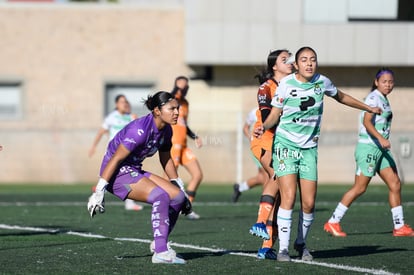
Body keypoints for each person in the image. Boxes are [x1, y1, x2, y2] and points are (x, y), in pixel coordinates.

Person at [254, 46, 382, 262]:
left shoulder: (322, 82)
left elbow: (341, 97)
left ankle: (301, 243)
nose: (309, 63)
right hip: (285, 146)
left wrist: (367, 108)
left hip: (309, 149)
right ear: (296, 64)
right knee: (288, 197)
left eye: (313, 59)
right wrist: (263, 127)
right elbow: (275, 113)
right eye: (304, 60)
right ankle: (283, 249)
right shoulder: (285, 84)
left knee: (309, 203)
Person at [87, 91, 192, 264]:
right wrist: (99, 190)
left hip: (133, 169)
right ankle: (160, 253)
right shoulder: (139, 130)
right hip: (116, 173)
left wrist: (178, 184)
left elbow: (165, 157)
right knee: (160, 196)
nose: (176, 112)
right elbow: (116, 159)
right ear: (157, 111)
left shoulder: (166, 130)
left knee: (178, 197)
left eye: (177, 108)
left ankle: (160, 243)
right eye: (171, 108)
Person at [324, 68, 414, 237]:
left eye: (390, 82)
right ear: (376, 82)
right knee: (359, 188)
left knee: (395, 183)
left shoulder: (383, 99)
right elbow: (367, 122)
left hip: (380, 150)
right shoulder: (374, 98)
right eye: (384, 81)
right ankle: (333, 221)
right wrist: (380, 138)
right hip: (369, 148)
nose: (388, 85)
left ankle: (399, 226)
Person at [248, 49, 294, 260]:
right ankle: (260, 221)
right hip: (265, 139)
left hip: (285, 143)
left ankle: (266, 247)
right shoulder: (267, 87)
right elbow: (268, 116)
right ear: (274, 66)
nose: (291, 62)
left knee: (283, 195)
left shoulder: (292, 85)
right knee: (277, 175)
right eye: (285, 59)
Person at [88, 95, 143, 211]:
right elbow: (101, 132)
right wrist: (93, 146)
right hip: (114, 152)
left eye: (126, 102)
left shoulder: (131, 117)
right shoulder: (111, 117)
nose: (125, 104)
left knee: (128, 175)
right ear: (117, 104)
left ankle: (128, 203)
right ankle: (97, 195)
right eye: (122, 102)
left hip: (128, 151)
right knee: (109, 175)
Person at [170, 76, 203, 220]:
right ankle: (163, 206)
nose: (185, 88)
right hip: (172, 144)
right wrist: (176, 89)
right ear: (177, 84)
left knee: (197, 175)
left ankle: (187, 207)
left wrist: (194, 136)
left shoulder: (185, 103)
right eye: (183, 85)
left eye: (187, 86)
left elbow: (184, 124)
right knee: (170, 178)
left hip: (183, 145)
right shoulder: (171, 100)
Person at [232, 108, 267, 203]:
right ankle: (266, 204)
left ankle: (240, 188)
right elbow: (245, 128)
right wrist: (251, 139)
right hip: (259, 148)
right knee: (267, 177)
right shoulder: (254, 112)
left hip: (270, 147)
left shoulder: (274, 109)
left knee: (261, 177)